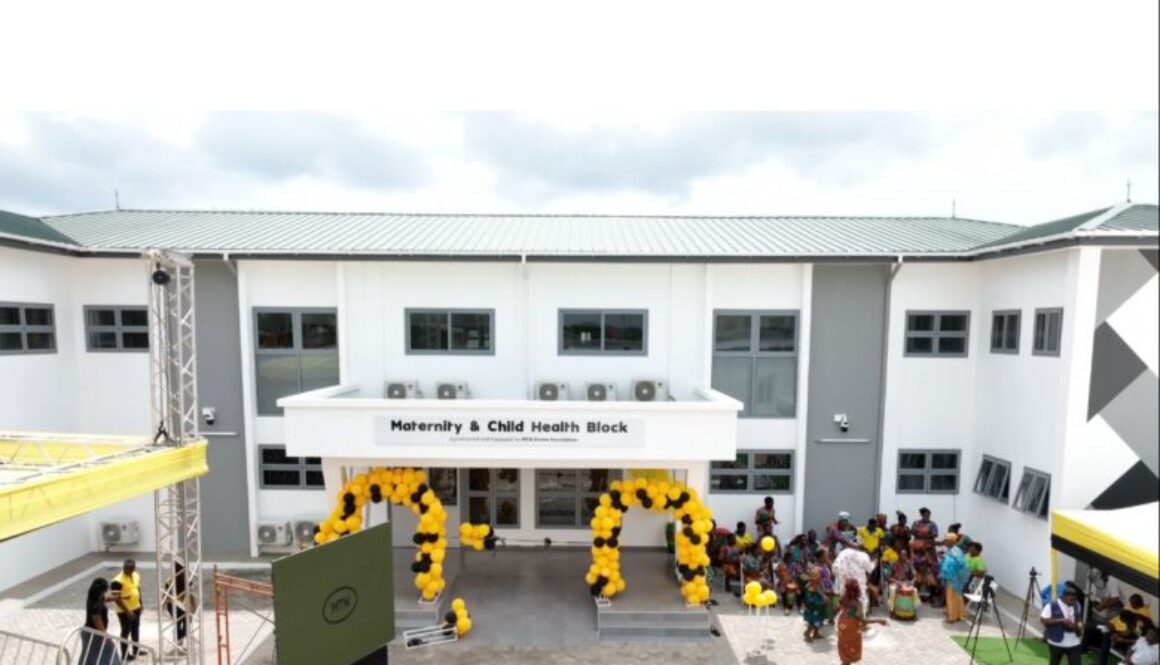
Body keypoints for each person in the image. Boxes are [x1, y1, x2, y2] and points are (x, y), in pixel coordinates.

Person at [838, 578, 886, 664]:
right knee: (850, 650)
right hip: (852, 630)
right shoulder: (857, 604)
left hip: (843, 627)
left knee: (845, 648)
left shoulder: (843, 599)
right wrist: (879, 620)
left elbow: (840, 608)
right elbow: (863, 621)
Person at [1041, 586, 1085, 665]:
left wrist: (1080, 626)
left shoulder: (1077, 604)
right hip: (1056, 641)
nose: (1073, 602)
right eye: (1071, 600)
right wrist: (1061, 621)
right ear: (1064, 597)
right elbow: (1044, 621)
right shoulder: (1051, 605)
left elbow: (1078, 619)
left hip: (1074, 641)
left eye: (1075, 599)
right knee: (1054, 662)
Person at [82, 577, 121, 665]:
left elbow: (105, 598)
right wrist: (104, 634)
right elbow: (97, 619)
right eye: (106, 590)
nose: (107, 592)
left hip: (90, 632)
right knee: (108, 652)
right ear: (101, 591)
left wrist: (116, 598)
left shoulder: (94, 595)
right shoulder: (95, 605)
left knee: (91, 655)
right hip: (94, 634)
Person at [832, 542, 876, 615]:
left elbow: (835, 567)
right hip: (857, 582)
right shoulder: (864, 555)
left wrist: (838, 576)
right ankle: (859, 618)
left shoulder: (843, 552)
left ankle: (836, 612)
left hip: (842, 580)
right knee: (860, 599)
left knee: (837, 595)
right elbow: (870, 570)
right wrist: (874, 563)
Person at [111, 559, 142, 661]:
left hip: (136, 607)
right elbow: (116, 598)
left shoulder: (136, 575)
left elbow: (138, 589)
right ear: (123, 567)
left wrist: (141, 603)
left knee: (135, 629)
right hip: (124, 611)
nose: (128, 571)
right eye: (126, 569)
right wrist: (128, 611)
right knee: (126, 631)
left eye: (130, 569)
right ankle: (125, 655)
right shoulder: (117, 581)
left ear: (134, 568)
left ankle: (136, 650)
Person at [163, 561, 196, 654]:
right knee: (186, 623)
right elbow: (191, 594)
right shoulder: (188, 580)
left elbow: (166, 595)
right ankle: (180, 641)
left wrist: (164, 604)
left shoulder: (169, 580)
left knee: (177, 624)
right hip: (182, 605)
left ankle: (179, 643)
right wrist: (193, 607)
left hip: (173, 605)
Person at [939, 537, 971, 624]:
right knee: (956, 595)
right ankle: (959, 614)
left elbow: (961, 565)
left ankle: (952, 616)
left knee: (952, 596)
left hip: (954, 576)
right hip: (953, 575)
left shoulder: (958, 551)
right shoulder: (958, 551)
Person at [802, 567, 828, 643]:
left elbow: (821, 591)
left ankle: (816, 633)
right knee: (813, 620)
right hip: (814, 606)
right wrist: (823, 598)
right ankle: (807, 633)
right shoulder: (812, 585)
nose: (822, 578)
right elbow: (813, 595)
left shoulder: (817, 583)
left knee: (818, 619)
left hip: (819, 605)